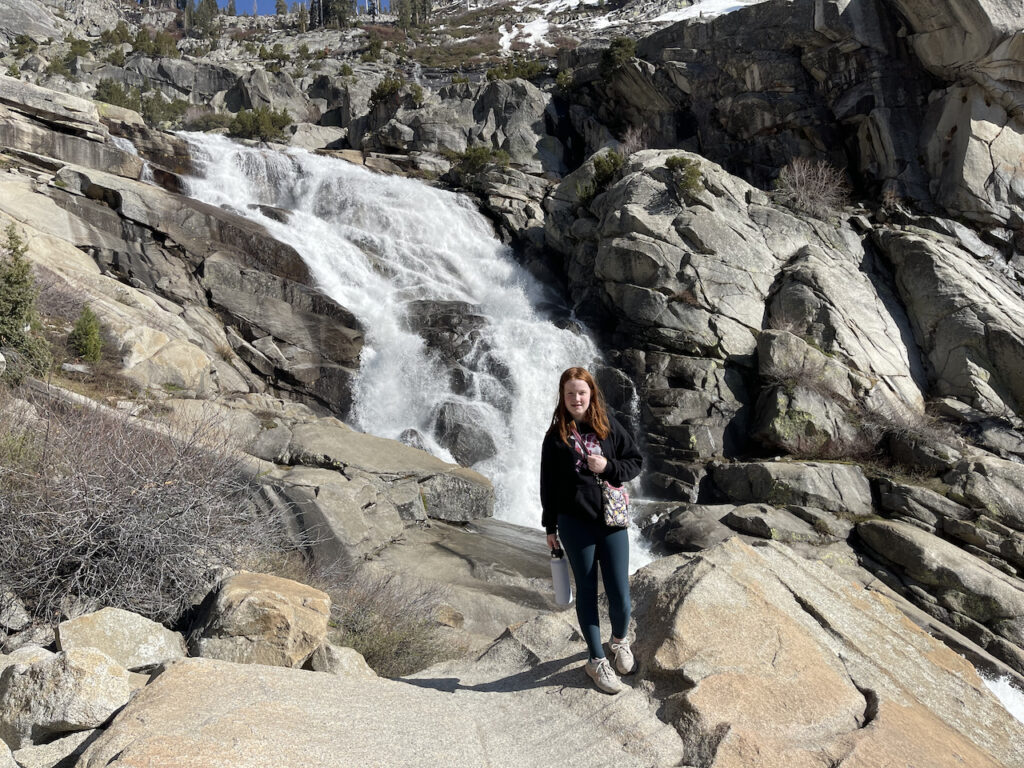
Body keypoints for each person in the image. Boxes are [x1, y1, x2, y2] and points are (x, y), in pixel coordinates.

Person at [540, 366, 642, 694]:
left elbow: (635, 461)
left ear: (591, 394)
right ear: (563, 397)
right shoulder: (555, 437)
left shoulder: (608, 426)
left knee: (619, 593)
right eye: (570, 393)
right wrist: (550, 527)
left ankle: (619, 642)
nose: (576, 398)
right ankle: (595, 660)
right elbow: (548, 485)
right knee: (585, 591)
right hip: (573, 523)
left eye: (581, 392)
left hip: (611, 520)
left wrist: (609, 467)